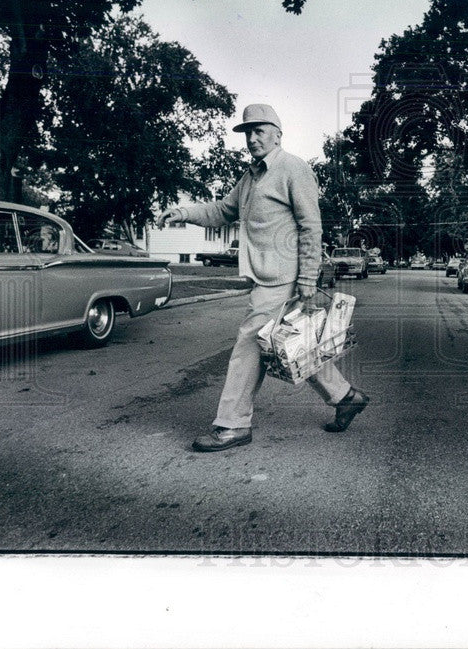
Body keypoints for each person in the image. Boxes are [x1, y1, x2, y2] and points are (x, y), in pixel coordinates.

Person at [155, 103, 369, 452]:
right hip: (267, 276)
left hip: (283, 277)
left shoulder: (292, 168)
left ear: (277, 133)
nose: (252, 139)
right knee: (294, 347)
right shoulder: (251, 176)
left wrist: (308, 278)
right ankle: (346, 397)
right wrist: (183, 212)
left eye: (259, 131)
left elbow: (310, 226)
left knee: (248, 345)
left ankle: (233, 424)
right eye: (247, 133)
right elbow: (222, 211)